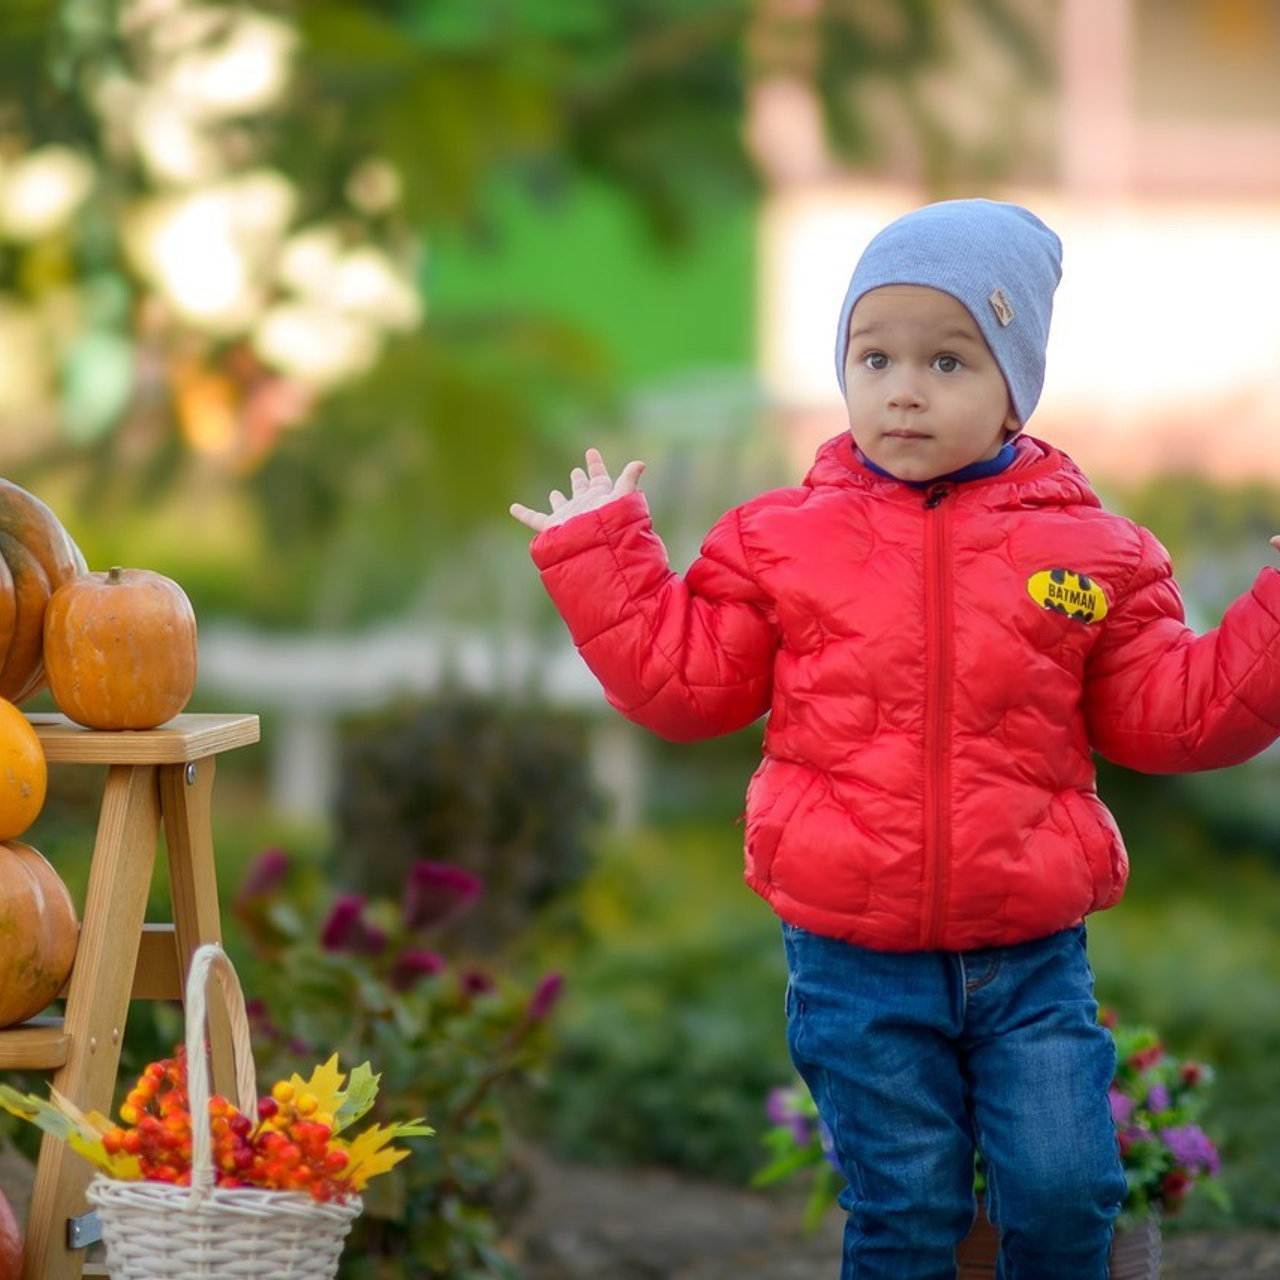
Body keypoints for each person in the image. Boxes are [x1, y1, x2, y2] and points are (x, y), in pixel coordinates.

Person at [508, 198, 1280, 1279]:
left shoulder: (1095, 553)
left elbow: (1177, 712)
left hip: (1027, 956)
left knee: (1064, 1192)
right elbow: (683, 688)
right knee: (905, 1209)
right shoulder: (780, 540)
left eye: (948, 361)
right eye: (873, 356)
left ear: (1015, 385)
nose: (903, 387)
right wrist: (601, 555)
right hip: (851, 959)